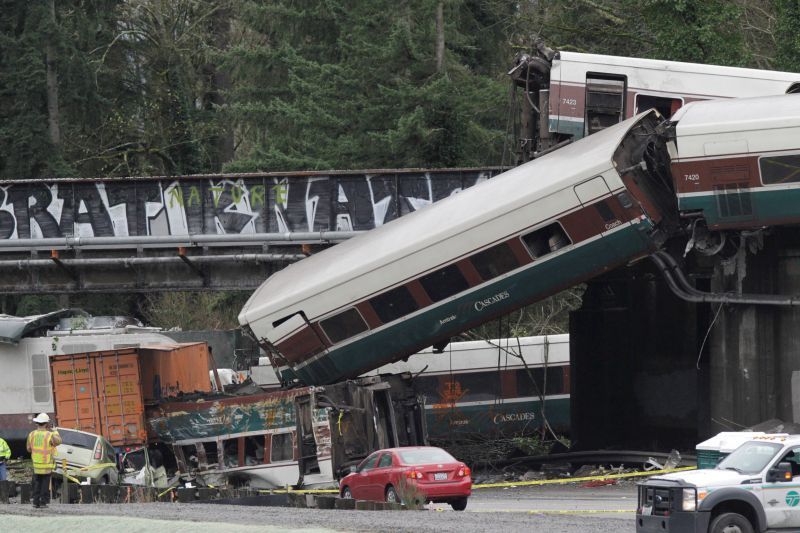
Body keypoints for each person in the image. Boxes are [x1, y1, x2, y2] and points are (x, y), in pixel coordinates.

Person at [26, 413, 61, 509]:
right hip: (46, 464)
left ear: (37, 423)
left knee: (37, 483)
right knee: (45, 484)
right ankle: (43, 502)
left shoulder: (31, 434)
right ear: (46, 424)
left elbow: (28, 449)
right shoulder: (49, 435)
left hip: (36, 465)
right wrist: (55, 431)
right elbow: (58, 442)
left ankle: (35, 502)